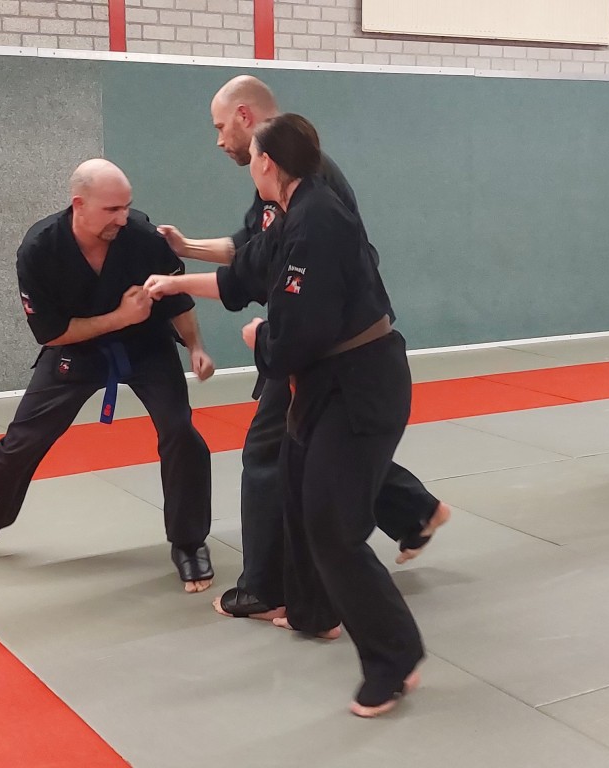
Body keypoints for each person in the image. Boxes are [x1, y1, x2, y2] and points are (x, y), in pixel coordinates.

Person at [145, 113, 423, 718]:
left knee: (333, 528)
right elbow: (245, 273)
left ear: (266, 161)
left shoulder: (318, 220)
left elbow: (301, 333)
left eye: (250, 157)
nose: (246, 163)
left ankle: (394, 657)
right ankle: (313, 611)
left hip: (360, 387)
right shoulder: (290, 212)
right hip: (323, 385)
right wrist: (174, 285)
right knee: (296, 495)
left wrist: (259, 339)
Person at [158, 74, 449, 620]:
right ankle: (409, 513)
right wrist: (183, 257)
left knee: (273, 453)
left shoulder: (314, 201)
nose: (219, 141)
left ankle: (270, 587)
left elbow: (286, 276)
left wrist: (269, 342)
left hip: (327, 346)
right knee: (316, 452)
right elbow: (253, 255)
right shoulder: (290, 187)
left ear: (248, 122)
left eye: (221, 127)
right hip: (319, 342)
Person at [0, 159, 217, 593]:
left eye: (126, 206)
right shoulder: (40, 249)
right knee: (23, 439)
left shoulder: (143, 238)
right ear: (79, 204)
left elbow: (178, 300)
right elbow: (53, 334)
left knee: (180, 432)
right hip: (76, 347)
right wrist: (120, 317)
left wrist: (196, 347)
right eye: (111, 210)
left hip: (147, 345)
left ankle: (189, 542)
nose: (122, 218)